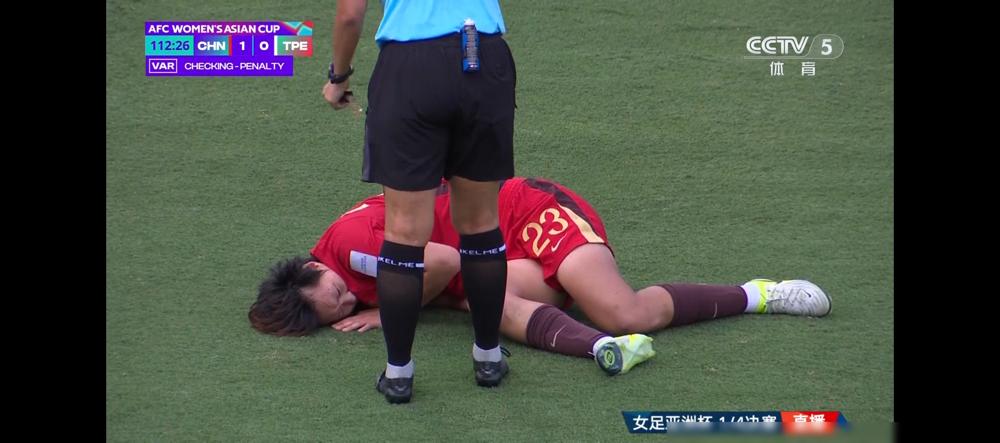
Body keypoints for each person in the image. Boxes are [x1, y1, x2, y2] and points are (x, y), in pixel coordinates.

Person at [249, 178, 831, 384]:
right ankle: (604, 351)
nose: (346, 301)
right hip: (490, 252)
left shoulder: (350, 246)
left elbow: (444, 263)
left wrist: (391, 313)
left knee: (624, 311)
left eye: (334, 294)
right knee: (490, 306)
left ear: (313, 268)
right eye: (337, 312)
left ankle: (760, 294)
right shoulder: (339, 270)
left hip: (527, 213)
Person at [322, 0, 518, 403]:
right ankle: (488, 358)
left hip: (410, 68)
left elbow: (350, 15)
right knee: (481, 223)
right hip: (484, 59)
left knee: (405, 233)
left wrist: (338, 77)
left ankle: (398, 375)